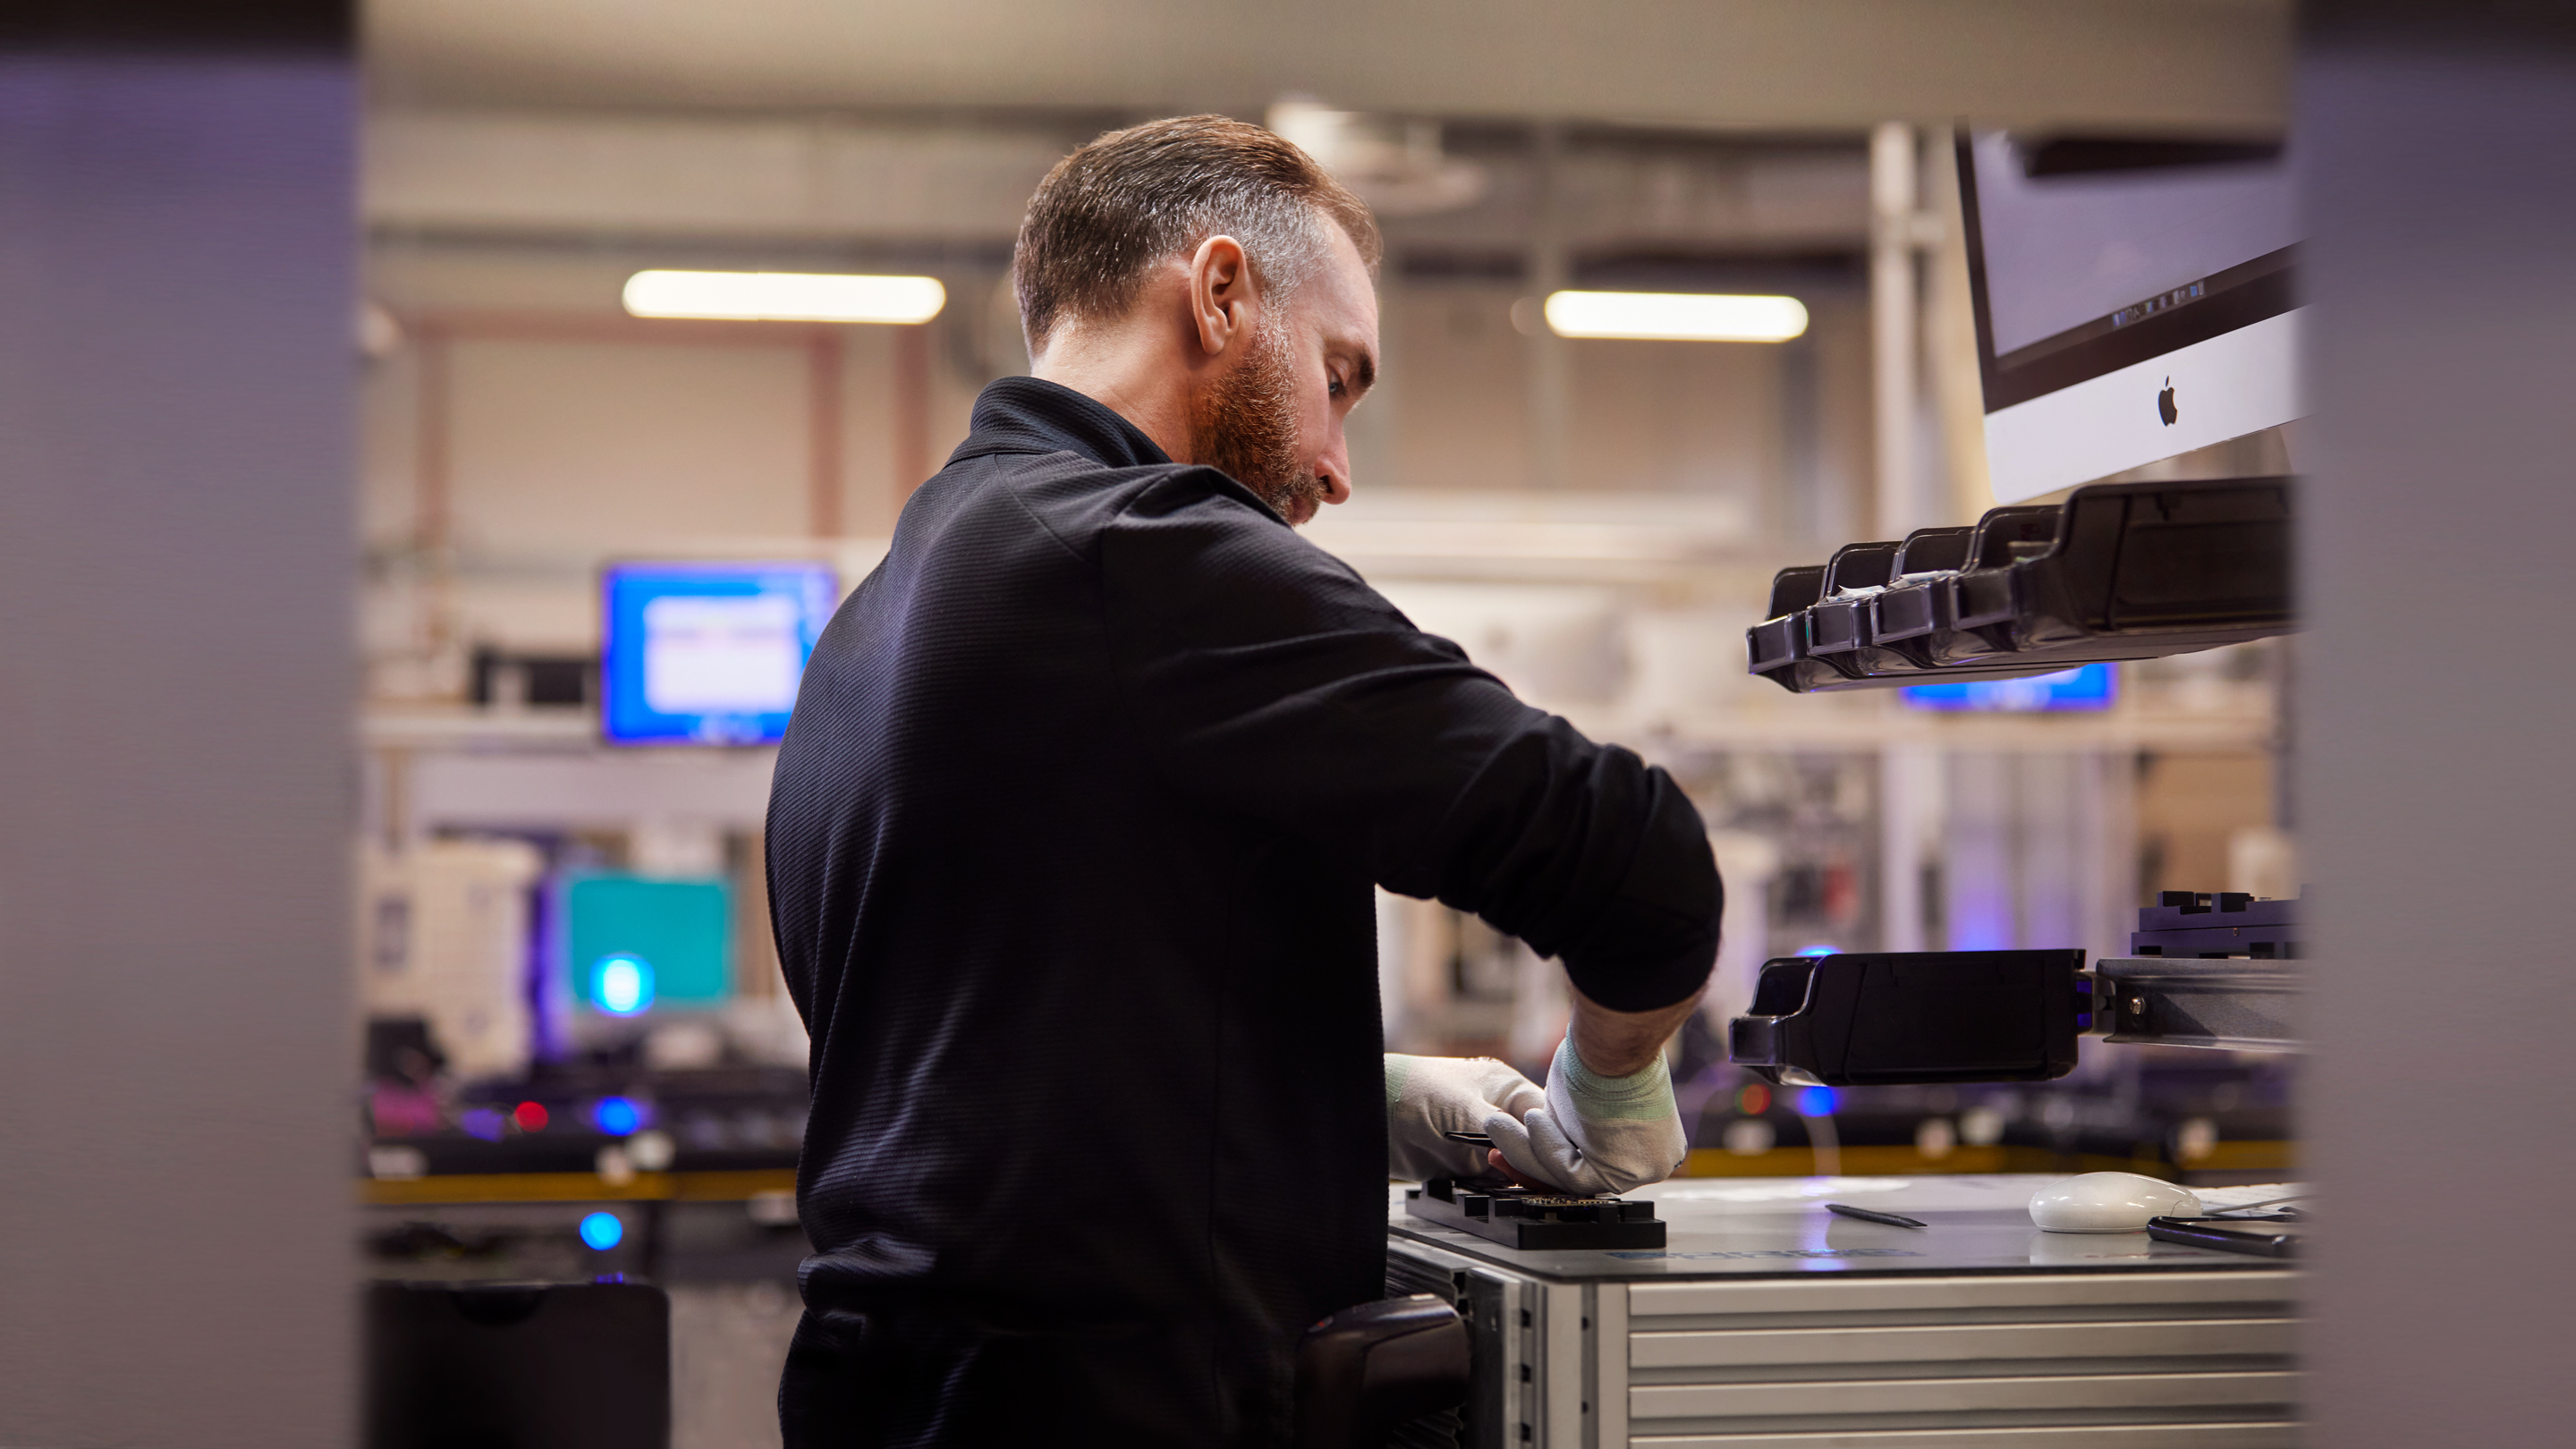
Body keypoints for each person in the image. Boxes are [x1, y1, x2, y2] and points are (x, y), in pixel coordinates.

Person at [766, 114, 1723, 1447]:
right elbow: (1640, 866)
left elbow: (987, 1060)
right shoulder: (1138, 553)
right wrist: (1606, 1096)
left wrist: (1353, 1097)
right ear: (1220, 294)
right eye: (1339, 377)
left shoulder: (885, 609)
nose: (1334, 467)